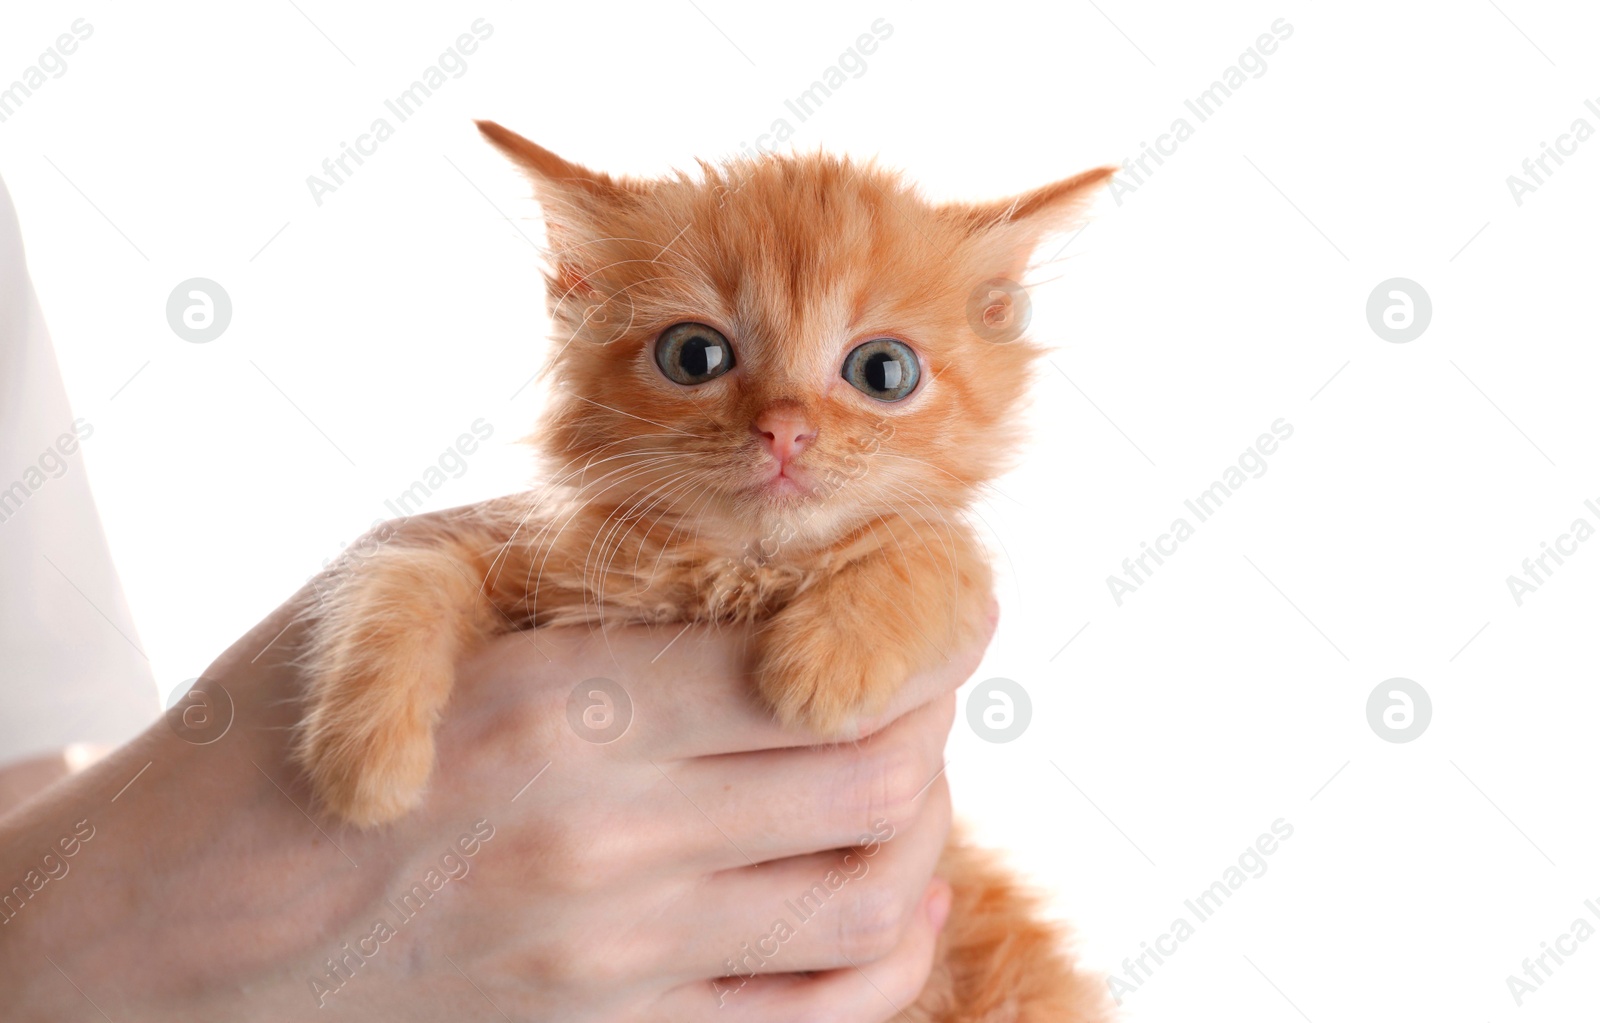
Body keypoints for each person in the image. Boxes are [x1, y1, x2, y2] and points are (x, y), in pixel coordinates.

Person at [0, 174, 990, 1021]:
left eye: (877, 371)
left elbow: (26, 768)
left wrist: (907, 584)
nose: (781, 424)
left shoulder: (907, 554)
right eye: (698, 356)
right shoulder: (591, 551)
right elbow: (464, 571)